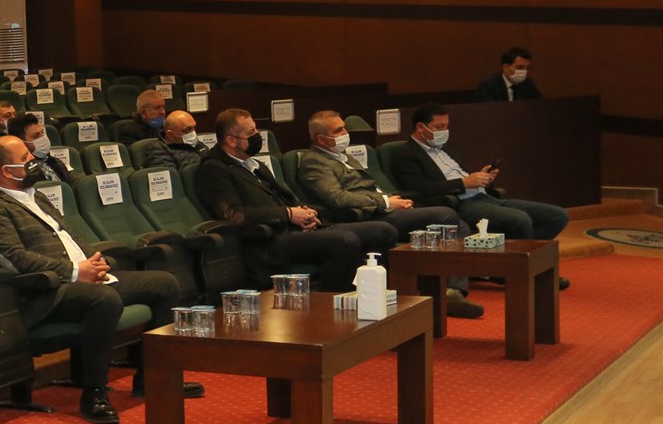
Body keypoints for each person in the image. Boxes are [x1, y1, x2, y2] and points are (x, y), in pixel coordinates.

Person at [0, 137, 201, 424]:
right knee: (105, 299)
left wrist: (96, 261)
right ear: (7, 170)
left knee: (165, 283)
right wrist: (75, 271)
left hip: (83, 278)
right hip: (47, 292)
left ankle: (154, 378)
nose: (34, 160)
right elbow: (13, 258)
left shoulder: (35, 196)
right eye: (26, 157)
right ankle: (94, 393)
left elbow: (70, 237)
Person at [297, 111, 483, 319]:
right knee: (446, 215)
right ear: (321, 139)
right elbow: (338, 198)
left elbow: (367, 187)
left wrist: (393, 199)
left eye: (344, 128)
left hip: (384, 207)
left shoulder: (343, 155)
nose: (345, 133)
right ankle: (446, 294)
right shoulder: (314, 161)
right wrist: (386, 202)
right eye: (338, 130)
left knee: (460, 225)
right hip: (368, 215)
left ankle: (451, 292)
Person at [195, 109, 397, 291]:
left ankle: (365, 293)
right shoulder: (214, 168)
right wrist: (288, 214)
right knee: (346, 241)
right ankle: (330, 303)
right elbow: (233, 215)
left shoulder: (252, 163)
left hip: (296, 228)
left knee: (383, 231)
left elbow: (286, 197)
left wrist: (306, 212)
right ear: (231, 141)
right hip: (270, 239)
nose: (257, 136)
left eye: (256, 129)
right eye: (251, 133)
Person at [385, 104, 571, 246]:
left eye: (446, 126)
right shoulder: (405, 153)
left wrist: (482, 178)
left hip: (484, 197)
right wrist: (463, 183)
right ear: (420, 127)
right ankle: (518, 269)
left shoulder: (445, 148)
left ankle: (527, 262)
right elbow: (418, 188)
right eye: (439, 126)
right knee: (520, 219)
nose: (444, 131)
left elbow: (464, 177)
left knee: (558, 215)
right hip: (459, 204)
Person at [15, 113, 76, 184]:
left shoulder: (54, 161)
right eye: (36, 136)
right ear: (21, 142)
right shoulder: (24, 172)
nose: (43, 138)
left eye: (42, 133)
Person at [474, 47, 542, 103]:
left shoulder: (527, 83)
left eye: (527, 68)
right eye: (519, 67)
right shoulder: (489, 86)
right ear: (505, 67)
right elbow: (489, 111)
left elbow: (540, 104)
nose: (525, 71)